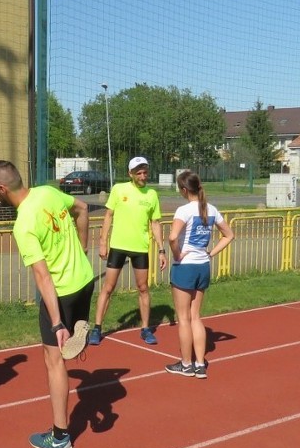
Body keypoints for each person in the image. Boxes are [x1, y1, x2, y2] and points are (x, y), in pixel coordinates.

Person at [0, 160, 94, 448]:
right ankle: (78, 329)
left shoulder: (23, 224)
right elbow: (82, 209)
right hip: (85, 280)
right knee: (65, 346)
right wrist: (82, 249)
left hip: (62, 293)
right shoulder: (48, 192)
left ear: (2, 189)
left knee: (54, 360)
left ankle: (60, 436)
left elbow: (42, 275)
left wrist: (57, 322)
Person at [89, 156, 166, 346]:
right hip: (118, 246)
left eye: (145, 172)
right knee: (108, 288)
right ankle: (97, 328)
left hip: (140, 248)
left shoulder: (152, 194)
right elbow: (108, 215)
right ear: (130, 174)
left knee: (143, 288)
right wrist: (103, 242)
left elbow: (155, 223)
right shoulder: (119, 189)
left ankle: (146, 329)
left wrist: (162, 250)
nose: (142, 175)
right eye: (138, 172)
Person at [165, 170, 234, 379]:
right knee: (195, 316)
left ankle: (186, 364)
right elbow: (229, 235)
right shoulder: (211, 209)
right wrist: (210, 253)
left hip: (185, 267)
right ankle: (200, 364)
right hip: (203, 266)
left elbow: (172, 237)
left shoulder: (184, 210)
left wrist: (177, 255)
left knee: (183, 318)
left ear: (184, 190)